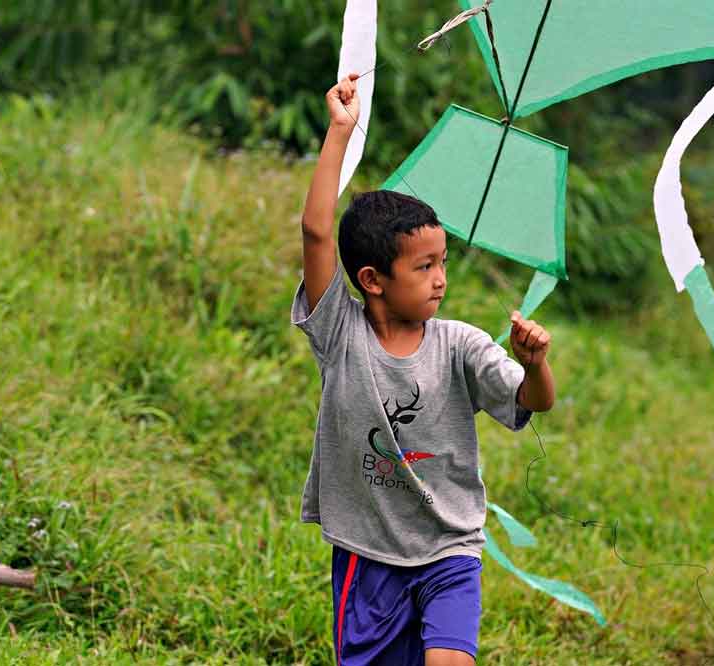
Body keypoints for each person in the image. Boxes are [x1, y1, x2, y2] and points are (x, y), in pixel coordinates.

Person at [291, 73, 556, 666]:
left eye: (443, 262)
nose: (441, 278)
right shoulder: (340, 333)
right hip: (368, 554)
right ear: (372, 280)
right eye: (424, 266)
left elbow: (532, 402)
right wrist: (339, 130)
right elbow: (315, 232)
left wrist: (534, 365)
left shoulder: (460, 344)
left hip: (449, 551)